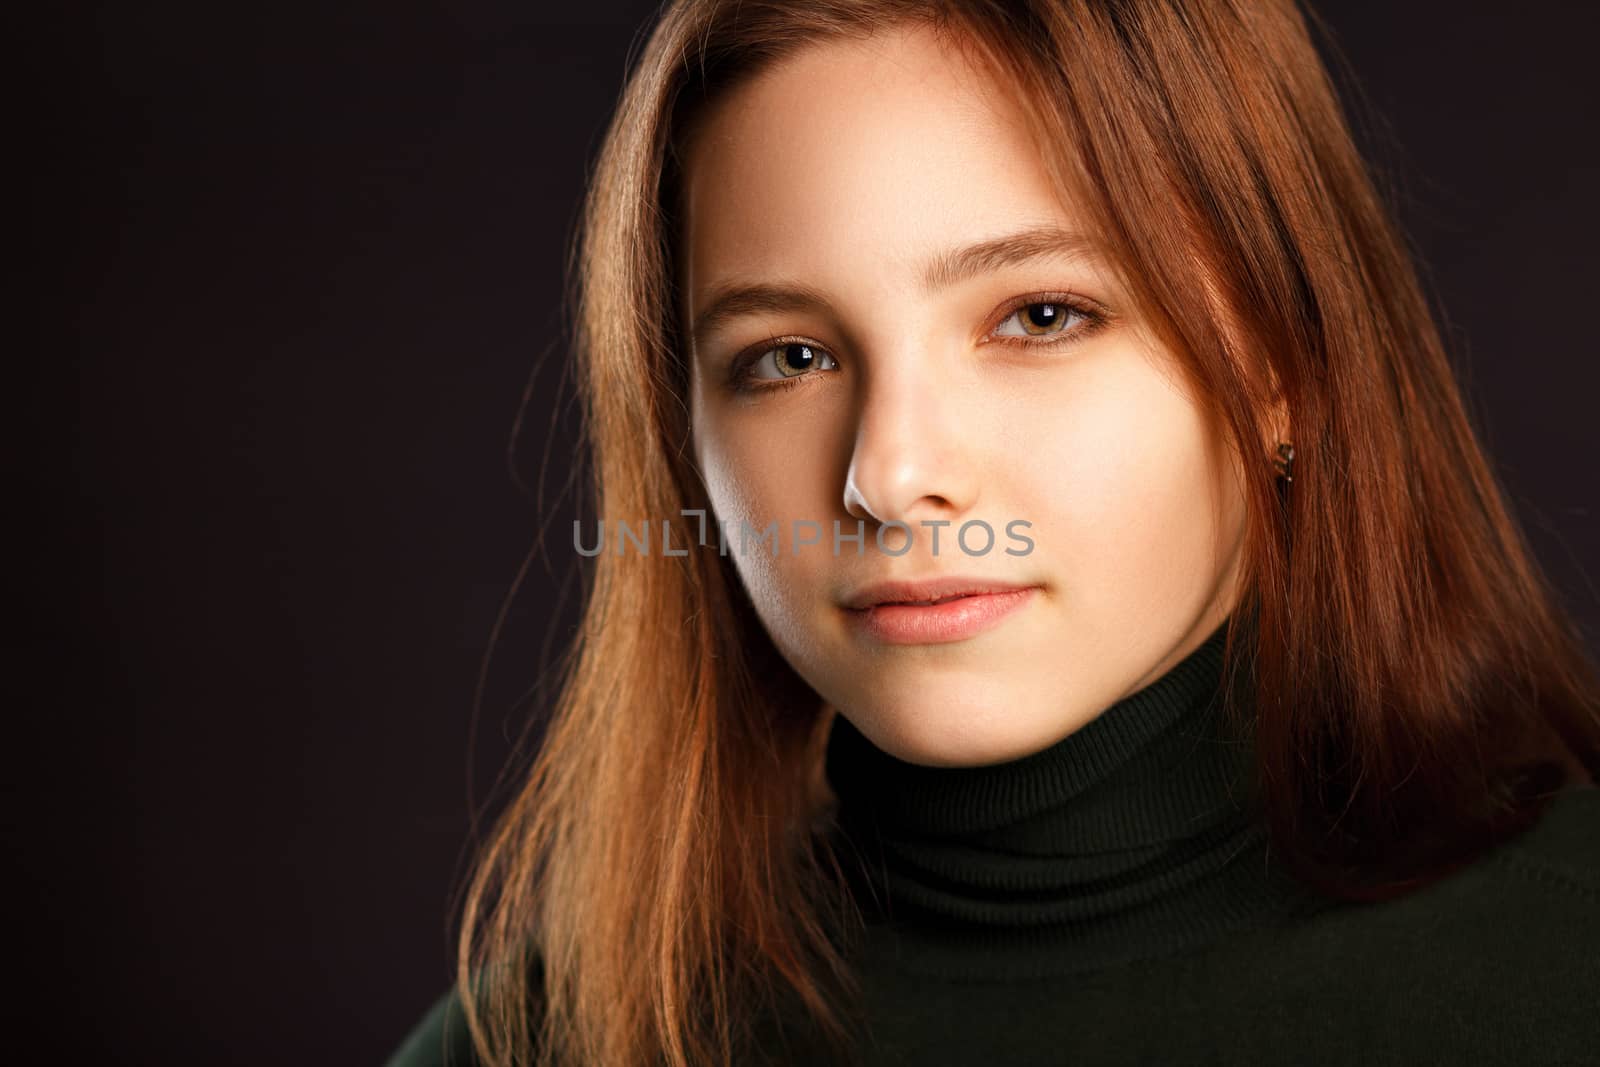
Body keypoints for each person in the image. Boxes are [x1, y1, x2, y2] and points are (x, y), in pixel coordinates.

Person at [387, 1, 1600, 1064]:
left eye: (1038, 315)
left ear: (1279, 360)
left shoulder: (1558, 971)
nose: (891, 473)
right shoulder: (556, 1035)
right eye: (789, 357)